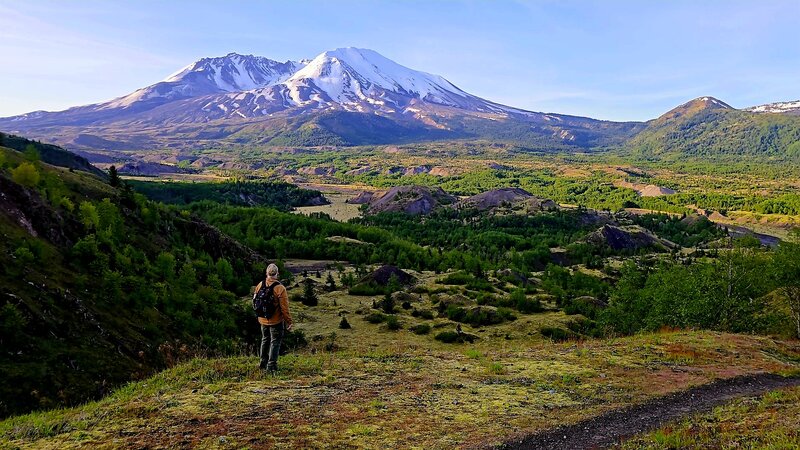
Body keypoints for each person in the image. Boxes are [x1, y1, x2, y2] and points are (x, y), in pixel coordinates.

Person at [254, 263, 293, 372]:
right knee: (275, 342)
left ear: (267, 273)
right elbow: (284, 308)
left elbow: (255, 301)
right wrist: (289, 322)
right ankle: (271, 366)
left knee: (265, 340)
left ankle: (263, 363)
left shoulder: (260, 285)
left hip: (262, 319)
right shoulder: (280, 288)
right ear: (277, 274)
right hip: (276, 320)